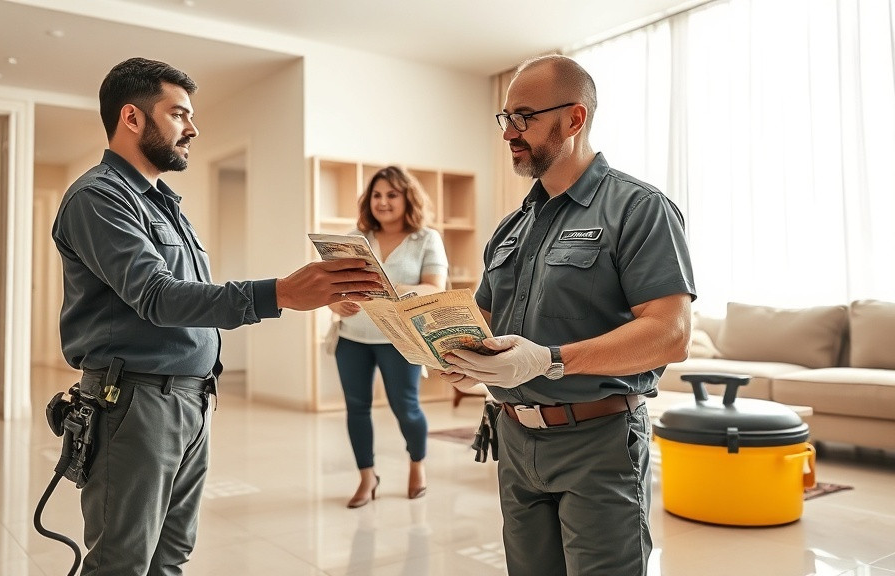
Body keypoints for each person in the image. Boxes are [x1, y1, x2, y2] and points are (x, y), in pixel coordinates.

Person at [51, 57, 382, 576]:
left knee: (171, 557)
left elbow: (189, 296)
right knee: (122, 563)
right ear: (132, 118)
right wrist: (279, 293)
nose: (193, 128)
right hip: (133, 404)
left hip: (188, 400)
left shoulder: (164, 203)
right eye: (179, 113)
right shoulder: (97, 199)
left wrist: (315, 294)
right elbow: (158, 296)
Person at [439, 54, 696, 576]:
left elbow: (670, 335)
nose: (509, 132)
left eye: (525, 117)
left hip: (597, 443)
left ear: (574, 119)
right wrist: (450, 351)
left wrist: (549, 361)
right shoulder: (512, 227)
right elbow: (482, 323)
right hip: (514, 439)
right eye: (505, 118)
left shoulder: (639, 208)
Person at [327, 166, 448, 508]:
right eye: (377, 195)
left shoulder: (426, 238)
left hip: (400, 340)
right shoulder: (354, 239)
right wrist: (338, 305)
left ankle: (417, 465)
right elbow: (337, 291)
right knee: (357, 409)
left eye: (392, 194)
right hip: (352, 339)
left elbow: (434, 288)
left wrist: (393, 290)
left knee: (406, 408)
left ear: (407, 197)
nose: (383, 202)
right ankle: (367, 477)